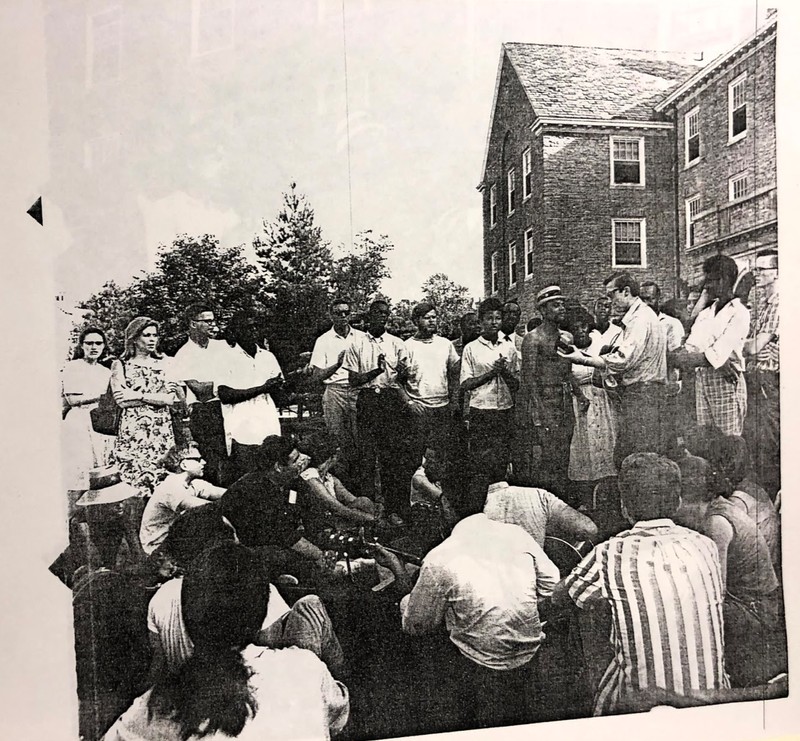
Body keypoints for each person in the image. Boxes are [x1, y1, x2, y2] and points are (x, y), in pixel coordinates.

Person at [104, 542, 350, 741]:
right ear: (260, 613)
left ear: (189, 614)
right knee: (311, 605)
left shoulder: (151, 709)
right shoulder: (305, 668)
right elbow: (337, 719)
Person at [371, 482, 559, 729]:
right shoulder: (517, 534)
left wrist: (396, 568)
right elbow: (552, 586)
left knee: (419, 631)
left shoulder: (440, 557)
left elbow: (415, 625)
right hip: (532, 656)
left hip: (480, 668)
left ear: (446, 505)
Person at [553, 453, 729, 715]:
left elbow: (560, 597)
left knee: (588, 614)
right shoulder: (706, 546)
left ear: (624, 507)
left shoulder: (608, 554)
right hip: (715, 700)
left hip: (643, 707)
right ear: (678, 502)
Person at [147, 507, 344, 680]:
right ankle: (339, 682)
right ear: (224, 548)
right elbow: (271, 651)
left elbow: (159, 664)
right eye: (233, 535)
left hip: (190, 689)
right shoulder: (243, 585)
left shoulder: (160, 597)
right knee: (311, 605)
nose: (239, 540)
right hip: (247, 690)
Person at [693, 435, 785, 686]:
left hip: (756, 610)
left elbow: (718, 592)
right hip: (765, 596)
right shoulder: (749, 490)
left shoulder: (724, 513)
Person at [559, 273, 668, 466]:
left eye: (611, 295)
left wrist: (582, 360)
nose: (610, 302)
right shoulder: (640, 316)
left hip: (643, 394)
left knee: (636, 457)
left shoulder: (639, 319)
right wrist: (585, 356)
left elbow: (622, 360)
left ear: (626, 291)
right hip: (645, 393)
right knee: (637, 454)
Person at [341, 299, 415, 525]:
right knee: (367, 456)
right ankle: (369, 510)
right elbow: (353, 381)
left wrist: (401, 373)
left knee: (392, 456)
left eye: (385, 313)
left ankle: (394, 509)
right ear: (369, 316)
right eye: (377, 313)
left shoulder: (396, 343)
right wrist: (376, 370)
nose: (382, 317)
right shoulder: (356, 344)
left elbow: (403, 379)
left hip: (391, 400)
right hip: (368, 400)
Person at [221, 436, 328, 578]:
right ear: (278, 467)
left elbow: (312, 516)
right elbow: (283, 535)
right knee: (286, 558)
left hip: (280, 541)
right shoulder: (252, 489)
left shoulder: (293, 482)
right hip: (248, 549)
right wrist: (319, 555)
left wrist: (326, 540)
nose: (303, 460)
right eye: (295, 460)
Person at [671, 255, 750, 436]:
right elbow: (690, 346)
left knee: (729, 442)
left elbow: (715, 354)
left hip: (727, 381)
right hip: (703, 378)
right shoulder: (706, 313)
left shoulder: (739, 313)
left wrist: (709, 358)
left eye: (712, 280)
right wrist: (710, 359)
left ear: (725, 280)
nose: (707, 285)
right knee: (707, 439)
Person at [109, 317, 185, 495]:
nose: (152, 339)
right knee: (134, 481)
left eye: (155, 335)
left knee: (162, 478)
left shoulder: (166, 362)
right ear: (134, 338)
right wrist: (155, 397)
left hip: (161, 429)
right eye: (147, 335)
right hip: (134, 430)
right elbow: (122, 401)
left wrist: (138, 395)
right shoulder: (120, 365)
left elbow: (169, 399)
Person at [517, 286, 578, 493]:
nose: (561, 308)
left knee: (565, 452)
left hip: (565, 401)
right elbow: (529, 379)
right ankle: (547, 499)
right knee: (547, 455)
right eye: (555, 305)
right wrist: (540, 413)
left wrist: (579, 395)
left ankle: (563, 498)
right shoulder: (533, 338)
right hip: (545, 402)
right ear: (542, 311)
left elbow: (567, 370)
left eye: (562, 304)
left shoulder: (566, 337)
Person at [218, 311, 285, 484]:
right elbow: (225, 394)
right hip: (242, 428)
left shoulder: (268, 356)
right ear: (236, 331)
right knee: (247, 477)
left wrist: (295, 379)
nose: (254, 331)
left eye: (256, 326)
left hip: (268, 423)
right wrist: (263, 387)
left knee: (271, 476)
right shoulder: (227, 358)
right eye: (248, 327)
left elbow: (279, 392)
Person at [170, 302, 232, 486]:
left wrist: (218, 384)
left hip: (231, 406)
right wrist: (226, 382)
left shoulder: (223, 347)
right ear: (193, 324)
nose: (213, 325)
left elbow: (238, 375)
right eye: (207, 321)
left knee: (234, 459)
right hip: (206, 412)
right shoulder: (183, 355)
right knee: (211, 463)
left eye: (213, 321)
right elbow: (200, 392)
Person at [459, 297, 520, 478]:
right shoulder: (471, 348)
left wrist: (504, 372)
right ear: (481, 321)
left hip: (504, 410)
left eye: (498, 318)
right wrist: (492, 373)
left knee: (501, 458)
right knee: (481, 460)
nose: (494, 323)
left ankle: (499, 500)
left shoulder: (509, 348)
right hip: (482, 411)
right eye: (489, 318)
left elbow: (516, 384)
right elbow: (466, 384)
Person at [309, 298, 364, 484]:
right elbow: (317, 376)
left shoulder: (362, 337)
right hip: (335, 390)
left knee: (360, 438)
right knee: (337, 439)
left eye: (346, 312)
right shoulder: (323, 340)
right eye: (338, 313)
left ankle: (361, 486)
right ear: (331, 315)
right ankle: (341, 483)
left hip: (358, 390)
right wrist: (338, 364)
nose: (343, 317)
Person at [564, 308, 618, 490]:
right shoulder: (566, 351)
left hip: (602, 398)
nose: (580, 331)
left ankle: (608, 487)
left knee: (606, 440)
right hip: (580, 399)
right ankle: (587, 489)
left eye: (583, 327)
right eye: (574, 328)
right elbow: (566, 375)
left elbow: (611, 367)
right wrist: (579, 394)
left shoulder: (600, 344)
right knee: (584, 443)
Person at [139, 444, 226, 555]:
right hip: (158, 550)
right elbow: (209, 509)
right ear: (184, 464)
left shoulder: (192, 484)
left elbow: (229, 493)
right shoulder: (171, 488)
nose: (204, 462)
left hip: (173, 541)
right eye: (198, 460)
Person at [742, 248, 780, 496]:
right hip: (758, 378)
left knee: (767, 443)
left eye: (762, 269)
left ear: (777, 272)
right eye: (756, 268)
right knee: (757, 442)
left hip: (768, 381)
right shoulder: (763, 303)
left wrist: (741, 344)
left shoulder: (779, 303)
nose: (756, 274)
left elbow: (754, 345)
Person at [61, 327, 113, 507]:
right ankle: (69, 518)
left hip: (99, 423)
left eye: (98, 343)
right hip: (79, 422)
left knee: (98, 473)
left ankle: (90, 522)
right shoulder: (72, 367)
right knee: (78, 471)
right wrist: (100, 397)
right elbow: (72, 399)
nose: (94, 347)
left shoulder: (106, 372)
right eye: (89, 343)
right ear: (82, 346)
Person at [402, 302, 460, 462]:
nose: (432, 321)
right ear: (416, 321)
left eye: (434, 317)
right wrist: (410, 403)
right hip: (419, 409)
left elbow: (455, 374)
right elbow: (397, 380)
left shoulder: (445, 344)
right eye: (427, 318)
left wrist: (454, 401)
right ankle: (417, 485)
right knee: (416, 454)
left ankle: (439, 487)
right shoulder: (406, 346)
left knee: (442, 456)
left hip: (442, 408)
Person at [483, 472, 598, 548]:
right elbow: (589, 529)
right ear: (509, 469)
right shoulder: (538, 496)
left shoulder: (471, 504)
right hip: (532, 580)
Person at [640, 281, 685, 352]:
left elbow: (676, 354)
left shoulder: (671, 323)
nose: (645, 303)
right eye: (642, 300)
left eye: (650, 299)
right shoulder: (636, 323)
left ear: (659, 298)